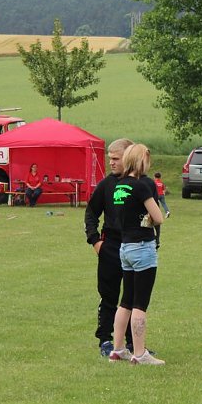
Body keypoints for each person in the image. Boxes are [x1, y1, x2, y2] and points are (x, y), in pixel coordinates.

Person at [108, 143, 165, 366]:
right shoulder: (142, 186)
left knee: (126, 301)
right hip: (142, 247)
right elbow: (158, 217)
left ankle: (117, 348)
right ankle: (140, 354)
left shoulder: (120, 186)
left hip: (125, 247)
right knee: (140, 303)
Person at [84, 138, 136, 357]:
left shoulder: (140, 184)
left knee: (134, 298)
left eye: (116, 158)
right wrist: (95, 241)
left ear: (129, 157)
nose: (111, 163)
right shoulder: (107, 185)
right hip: (111, 247)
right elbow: (91, 213)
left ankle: (134, 344)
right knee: (109, 296)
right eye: (110, 158)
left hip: (135, 246)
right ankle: (105, 340)